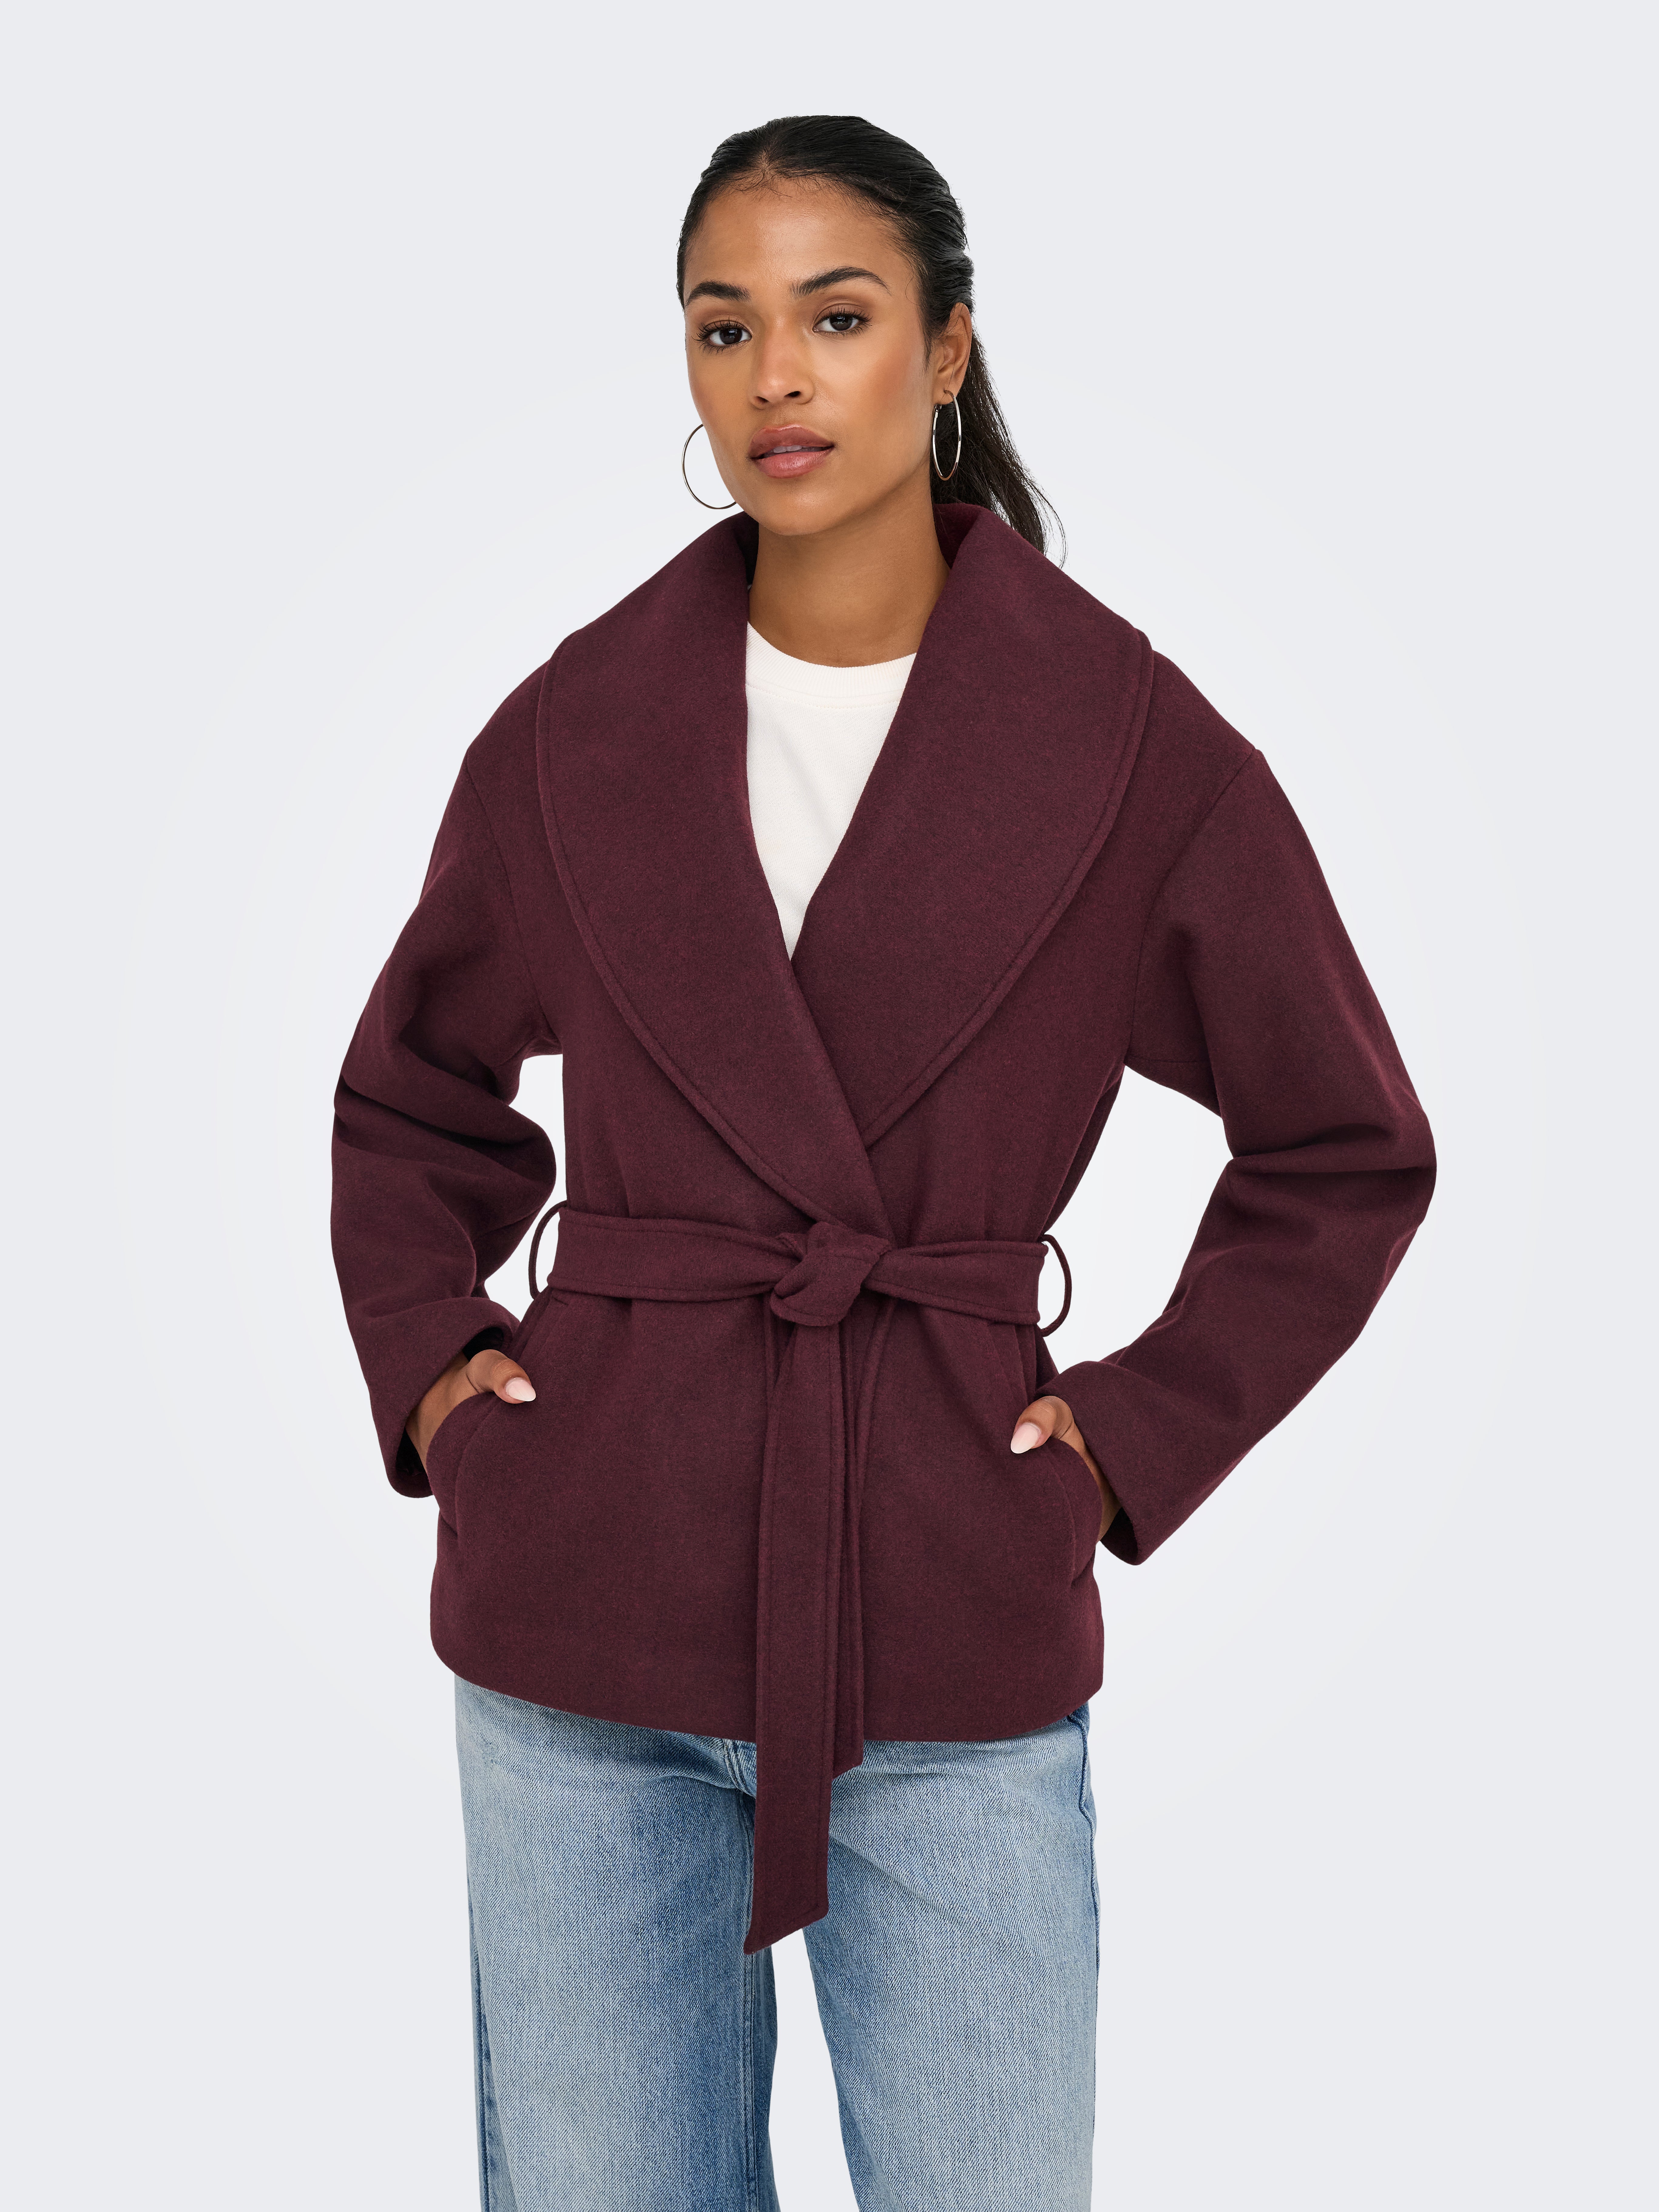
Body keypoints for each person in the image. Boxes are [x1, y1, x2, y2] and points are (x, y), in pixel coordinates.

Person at [330, 114, 1435, 2212]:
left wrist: (1125, 1445)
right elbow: (413, 1096)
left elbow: (1345, 1146)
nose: (777, 376)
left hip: (948, 1603)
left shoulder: (1134, 749)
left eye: (836, 319)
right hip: (588, 1604)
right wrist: (444, 1385)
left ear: (945, 348)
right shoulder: (575, 729)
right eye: (722, 325)